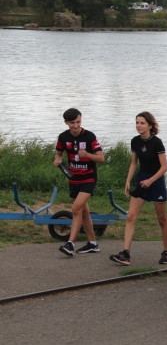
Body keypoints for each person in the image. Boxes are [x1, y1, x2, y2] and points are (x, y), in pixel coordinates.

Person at [109, 112, 167, 266]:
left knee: (162, 220)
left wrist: (151, 180)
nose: (138, 126)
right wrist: (128, 181)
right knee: (131, 216)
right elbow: (134, 163)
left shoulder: (157, 143)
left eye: (142, 123)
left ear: (150, 125)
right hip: (141, 180)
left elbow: (164, 167)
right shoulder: (135, 141)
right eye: (137, 122)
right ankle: (125, 253)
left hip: (156, 181)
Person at [55, 108, 105, 256]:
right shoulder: (63, 137)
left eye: (78, 122)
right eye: (72, 123)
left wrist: (87, 154)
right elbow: (59, 154)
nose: (76, 125)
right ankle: (93, 243)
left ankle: (70, 244)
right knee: (84, 212)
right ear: (66, 123)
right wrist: (58, 161)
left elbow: (101, 158)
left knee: (76, 209)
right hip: (73, 178)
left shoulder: (89, 136)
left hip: (88, 178)